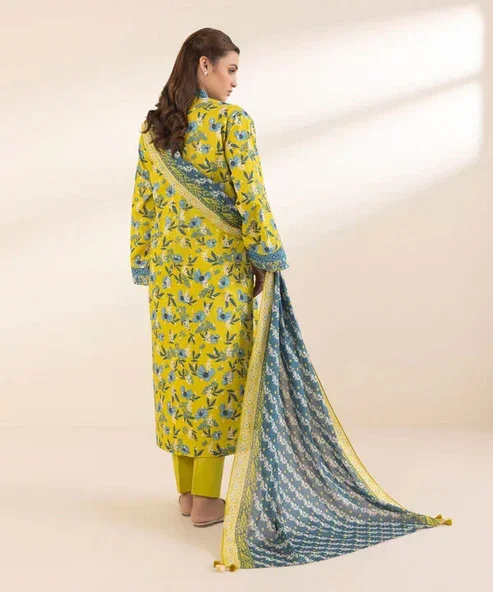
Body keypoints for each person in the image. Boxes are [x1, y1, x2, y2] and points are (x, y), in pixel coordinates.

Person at [130, 27, 451, 571]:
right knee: (215, 376)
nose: (235, 82)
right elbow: (250, 194)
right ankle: (207, 500)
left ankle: (187, 495)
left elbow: (142, 201)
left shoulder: (153, 129)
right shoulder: (231, 123)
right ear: (204, 66)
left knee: (180, 374)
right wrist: (267, 254)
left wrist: (144, 258)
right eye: (231, 70)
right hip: (216, 276)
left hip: (170, 280)